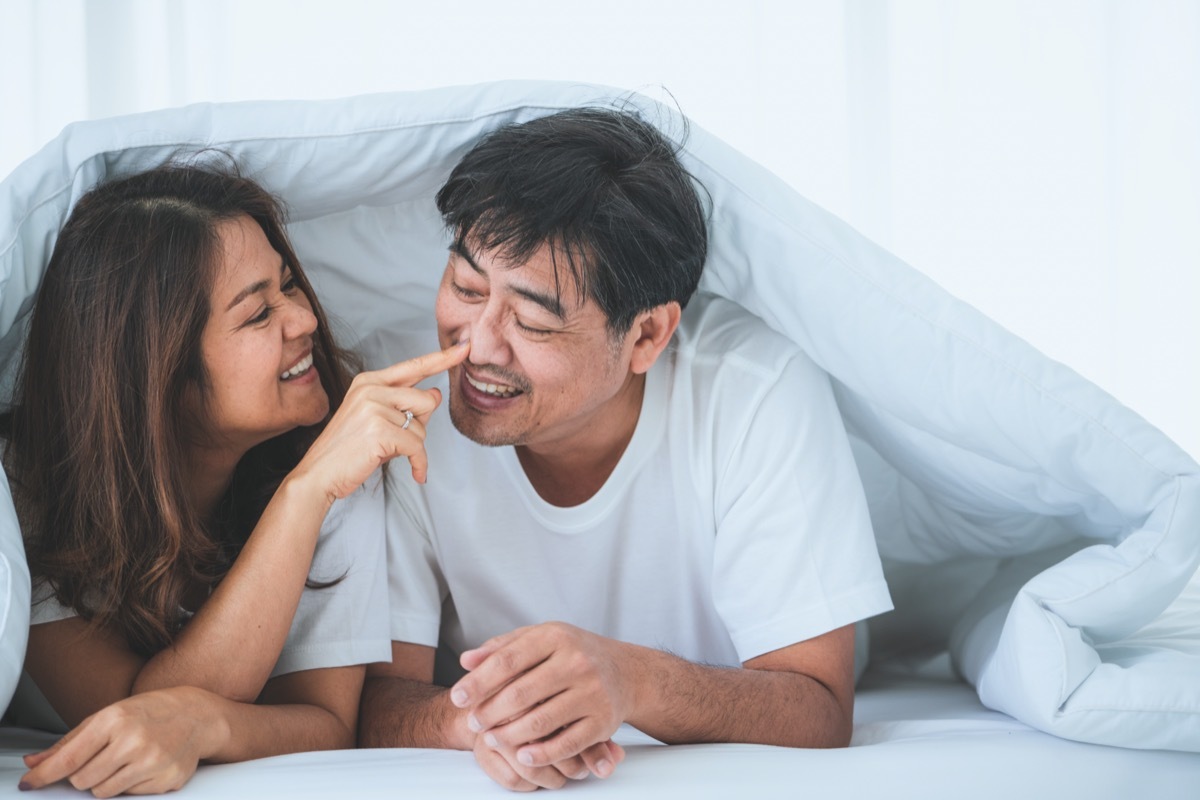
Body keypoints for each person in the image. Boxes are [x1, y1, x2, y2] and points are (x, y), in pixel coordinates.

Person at [358, 107, 893, 790]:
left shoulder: (756, 390)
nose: (476, 347)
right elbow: (374, 697)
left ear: (646, 337)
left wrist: (631, 679)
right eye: (466, 288)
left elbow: (820, 706)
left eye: (532, 321)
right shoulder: (400, 395)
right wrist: (477, 724)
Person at [1, 162, 467, 796]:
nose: (303, 319)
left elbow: (328, 722)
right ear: (157, 369)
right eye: (257, 315)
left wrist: (210, 722)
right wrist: (306, 494)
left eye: (288, 287)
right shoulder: (29, 480)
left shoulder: (334, 455)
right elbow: (131, 715)